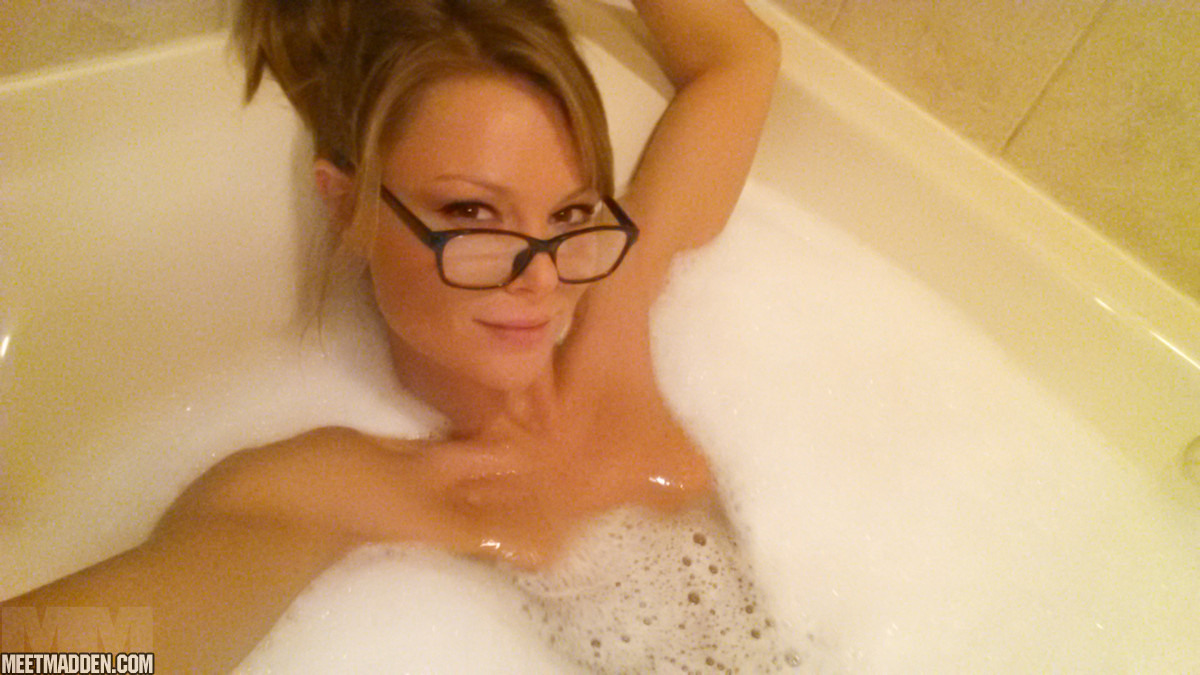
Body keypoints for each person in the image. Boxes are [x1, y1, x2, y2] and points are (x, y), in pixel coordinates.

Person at [2, 0, 780, 671]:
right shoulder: (324, 493)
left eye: (568, 214)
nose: (542, 277)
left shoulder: (611, 299)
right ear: (349, 207)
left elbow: (740, 61)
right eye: (473, 214)